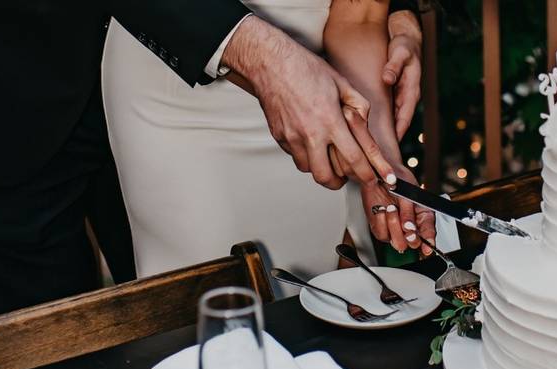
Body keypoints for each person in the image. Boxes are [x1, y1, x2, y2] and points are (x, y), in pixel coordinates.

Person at [0, 1, 402, 321]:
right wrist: (257, 52)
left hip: (196, 89)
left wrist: (398, 14)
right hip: (4, 63)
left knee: (200, 331)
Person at [104, 1, 436, 284]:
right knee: (219, 322)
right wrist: (269, 62)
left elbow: (359, 16)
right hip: (188, 102)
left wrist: (379, 156)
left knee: (343, 307)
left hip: (328, 97)